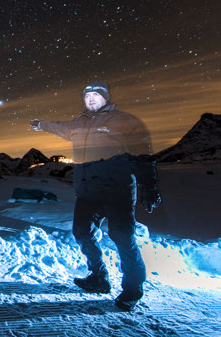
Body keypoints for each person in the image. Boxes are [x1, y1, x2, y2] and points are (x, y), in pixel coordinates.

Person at [30, 81, 161, 310]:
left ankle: (133, 289)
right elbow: (59, 126)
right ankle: (98, 277)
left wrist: (149, 185)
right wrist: (41, 125)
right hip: (88, 192)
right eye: (86, 95)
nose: (90, 98)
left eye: (95, 95)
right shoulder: (78, 123)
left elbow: (142, 155)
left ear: (105, 97)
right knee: (81, 232)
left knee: (122, 237)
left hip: (117, 191)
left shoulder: (123, 121)